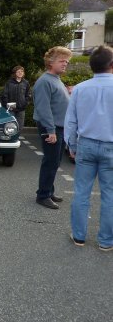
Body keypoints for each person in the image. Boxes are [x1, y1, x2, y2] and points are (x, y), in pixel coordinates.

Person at [64, 45, 113, 251]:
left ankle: (79, 236)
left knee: (81, 192)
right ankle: (106, 241)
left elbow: (71, 122)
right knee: (110, 194)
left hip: (86, 144)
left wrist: (71, 145)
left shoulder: (80, 89)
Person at [33, 46, 73, 209]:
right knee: (50, 162)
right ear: (51, 62)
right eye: (62, 61)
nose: (65, 64)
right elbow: (43, 109)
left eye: (67, 61)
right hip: (52, 128)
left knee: (55, 161)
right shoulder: (44, 81)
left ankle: (48, 191)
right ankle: (42, 195)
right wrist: (50, 131)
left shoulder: (55, 79)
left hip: (58, 127)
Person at [2, 66, 31, 133]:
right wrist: (7, 105)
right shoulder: (9, 83)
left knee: (20, 126)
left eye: (22, 71)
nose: (20, 73)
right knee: (10, 126)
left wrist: (25, 104)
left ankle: (17, 138)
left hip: (21, 109)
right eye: (18, 71)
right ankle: (10, 140)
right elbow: (4, 95)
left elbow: (28, 95)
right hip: (11, 108)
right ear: (15, 73)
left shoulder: (26, 83)